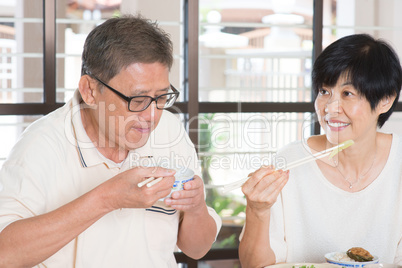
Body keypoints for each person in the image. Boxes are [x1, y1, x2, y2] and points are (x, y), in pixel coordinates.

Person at [0, 14, 221, 267]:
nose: (151, 116)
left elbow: (197, 250)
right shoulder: (41, 145)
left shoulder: (169, 130)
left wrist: (196, 208)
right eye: (137, 100)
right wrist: (107, 199)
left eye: (161, 98)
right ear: (90, 91)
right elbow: (4, 254)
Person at [239, 33, 402, 267]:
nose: (330, 108)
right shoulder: (290, 162)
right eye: (324, 91)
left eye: (348, 94)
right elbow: (255, 264)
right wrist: (257, 211)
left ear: (385, 100)